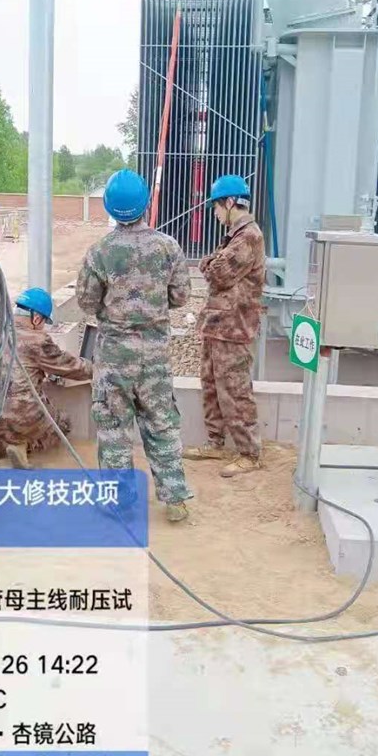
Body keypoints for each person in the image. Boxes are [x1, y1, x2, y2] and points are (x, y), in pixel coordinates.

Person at [76, 169, 193, 523]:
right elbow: (181, 296)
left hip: (114, 357)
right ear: (145, 205)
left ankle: (119, 503)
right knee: (161, 424)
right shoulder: (168, 247)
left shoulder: (99, 252)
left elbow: (86, 301)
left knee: (114, 430)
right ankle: (175, 499)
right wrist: (152, 308)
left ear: (110, 208)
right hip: (155, 356)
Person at [183, 175, 265, 477]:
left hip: (234, 327)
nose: (216, 213)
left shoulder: (248, 237)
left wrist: (210, 263)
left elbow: (218, 273)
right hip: (218, 324)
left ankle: (249, 453)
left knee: (235, 390)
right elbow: (215, 265)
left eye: (217, 207)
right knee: (211, 385)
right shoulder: (235, 236)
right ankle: (215, 443)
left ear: (230, 202)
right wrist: (212, 262)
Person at [0, 287, 92, 468]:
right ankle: (21, 444)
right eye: (44, 322)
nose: (43, 327)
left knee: (5, 404)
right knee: (62, 423)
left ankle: (6, 447)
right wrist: (99, 368)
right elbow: (72, 367)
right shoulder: (37, 340)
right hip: (22, 414)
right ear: (36, 318)